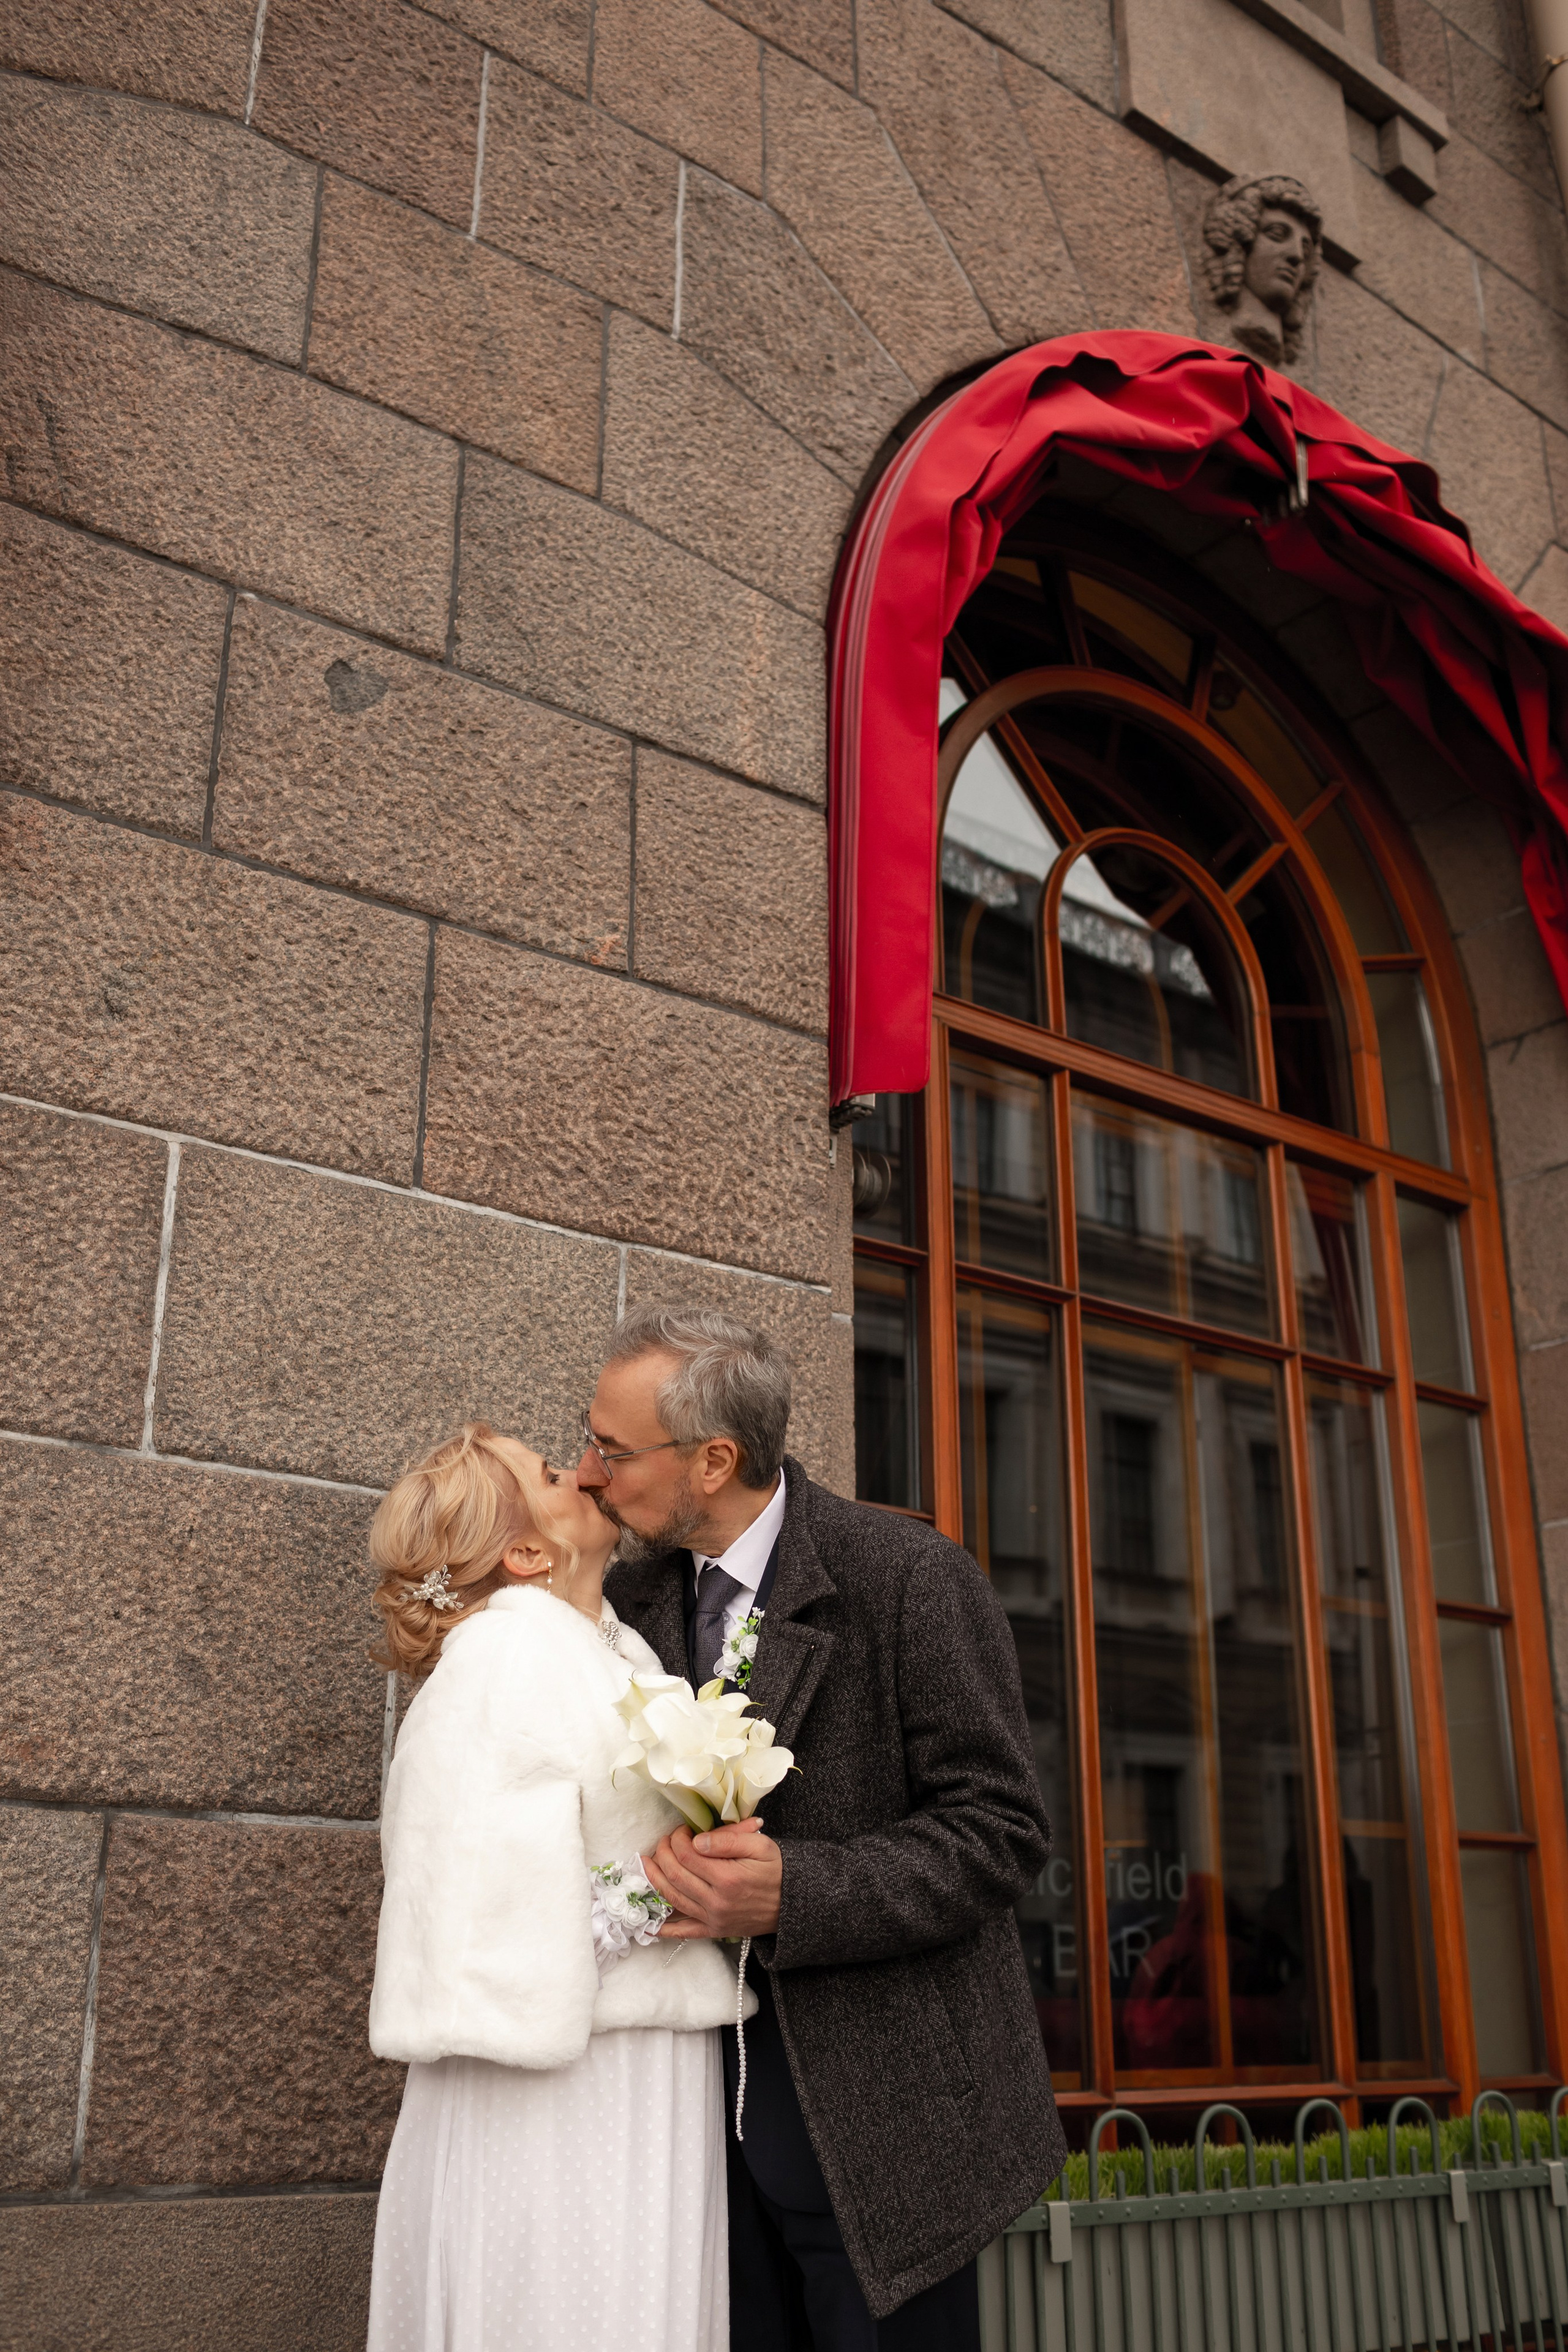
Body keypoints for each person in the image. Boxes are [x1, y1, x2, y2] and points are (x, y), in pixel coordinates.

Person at [586, 1305, 1066, 2351]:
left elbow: (1000, 1829)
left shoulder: (909, 1577)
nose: (590, 1475)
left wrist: (798, 1892)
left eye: (613, 1452)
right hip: (685, 2141)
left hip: (885, 2137)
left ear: (713, 1460)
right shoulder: (624, 1598)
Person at [363, 1422, 752, 2352]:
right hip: (558, 2094)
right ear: (528, 1554)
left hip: (640, 2071)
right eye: (549, 1476)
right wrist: (663, 1888)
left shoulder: (617, 1654)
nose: (583, 1474)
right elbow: (474, 1927)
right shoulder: (498, 1665)